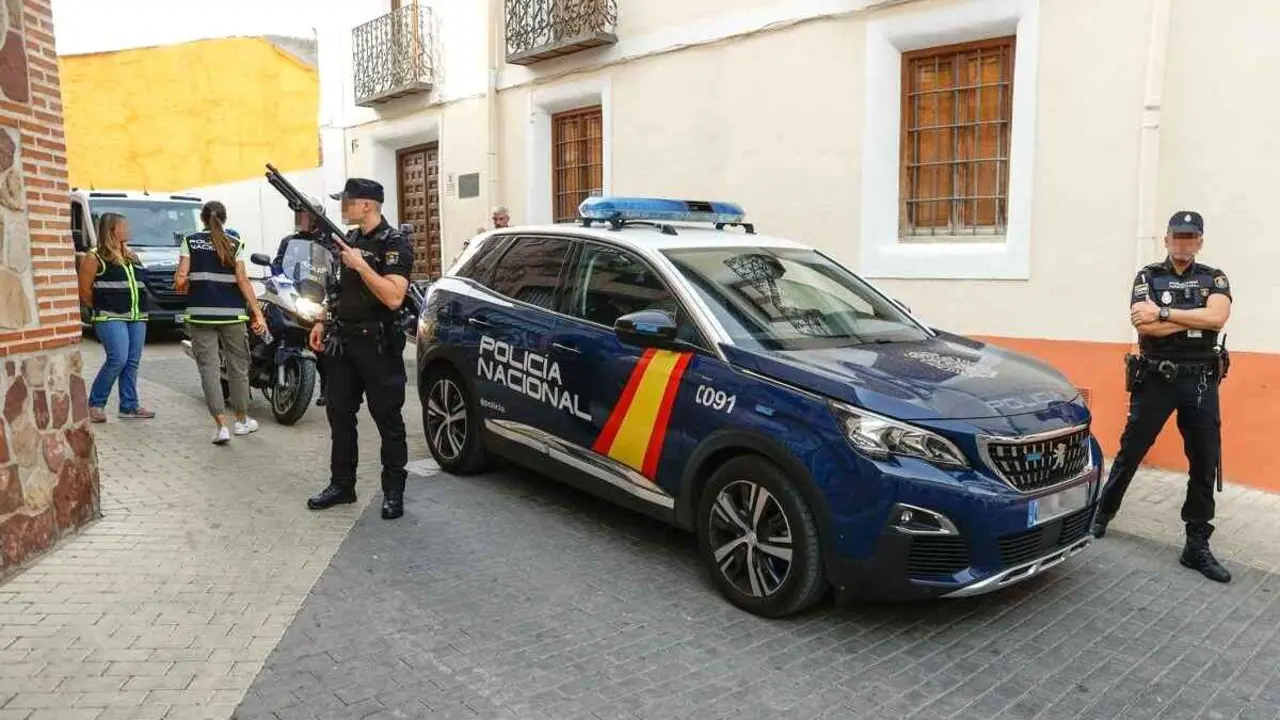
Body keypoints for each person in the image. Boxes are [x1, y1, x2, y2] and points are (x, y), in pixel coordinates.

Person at [1091, 210, 1233, 584]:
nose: (1183, 243)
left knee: (1204, 461)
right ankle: (1102, 514)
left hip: (1200, 381)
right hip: (1156, 378)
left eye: (1190, 237)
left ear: (1199, 242)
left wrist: (1165, 312)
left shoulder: (1214, 277)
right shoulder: (1148, 276)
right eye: (1178, 236)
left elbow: (1217, 319)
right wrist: (1191, 317)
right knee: (1131, 450)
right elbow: (1145, 325)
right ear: (1166, 239)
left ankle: (1196, 544)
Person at [306, 178, 414, 520]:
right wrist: (322, 320)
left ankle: (393, 490)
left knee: (388, 419)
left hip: (378, 346)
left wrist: (362, 265)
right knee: (339, 415)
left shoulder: (394, 243)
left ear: (366, 205)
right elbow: (338, 288)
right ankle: (342, 485)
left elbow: (394, 297)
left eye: (348, 201)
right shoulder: (349, 240)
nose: (343, 207)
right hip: (344, 342)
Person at [175, 201, 267, 445]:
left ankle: (220, 426)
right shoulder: (234, 243)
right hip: (232, 315)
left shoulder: (190, 241)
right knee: (238, 367)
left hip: (200, 315)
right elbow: (243, 280)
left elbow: (181, 279)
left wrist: (185, 282)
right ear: (224, 218)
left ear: (202, 219)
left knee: (209, 369)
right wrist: (258, 313)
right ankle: (242, 420)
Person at [78, 212, 155, 422]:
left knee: (132, 362)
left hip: (137, 316)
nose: (128, 229)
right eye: (124, 226)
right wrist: (103, 306)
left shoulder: (132, 256)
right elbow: (84, 290)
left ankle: (129, 406)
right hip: (110, 317)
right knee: (118, 359)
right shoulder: (94, 257)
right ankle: (95, 404)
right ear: (111, 230)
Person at [272, 198, 331, 407]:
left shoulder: (328, 244)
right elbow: (278, 264)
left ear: (315, 219)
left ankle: (326, 388)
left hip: (317, 298)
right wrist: (279, 276)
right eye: (298, 215)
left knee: (323, 344)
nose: (299, 219)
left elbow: (334, 269)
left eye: (303, 216)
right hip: (294, 293)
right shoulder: (289, 241)